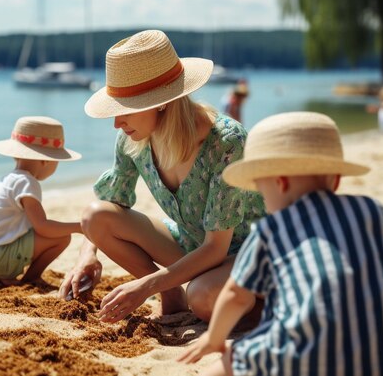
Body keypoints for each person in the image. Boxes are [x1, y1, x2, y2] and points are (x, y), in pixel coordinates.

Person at [178, 111, 383, 375]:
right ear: (336, 180)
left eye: (260, 190)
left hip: (300, 355)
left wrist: (214, 339)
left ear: (279, 183)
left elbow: (236, 295)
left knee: (228, 362)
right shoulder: (372, 210)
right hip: (381, 352)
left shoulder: (272, 230)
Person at [58, 30, 266, 324]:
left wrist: (146, 286)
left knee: (203, 298)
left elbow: (217, 247)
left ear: (161, 101)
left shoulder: (226, 141)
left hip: (250, 253)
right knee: (95, 216)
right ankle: (172, 297)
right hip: (194, 245)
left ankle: (280, 307)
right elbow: (110, 201)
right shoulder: (133, 139)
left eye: (125, 109)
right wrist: (87, 255)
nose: (117, 123)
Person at [0, 116, 82, 286]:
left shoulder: (10, 179)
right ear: (45, 160)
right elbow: (42, 226)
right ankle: (31, 278)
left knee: (36, 233)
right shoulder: (27, 182)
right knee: (62, 238)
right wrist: (80, 227)